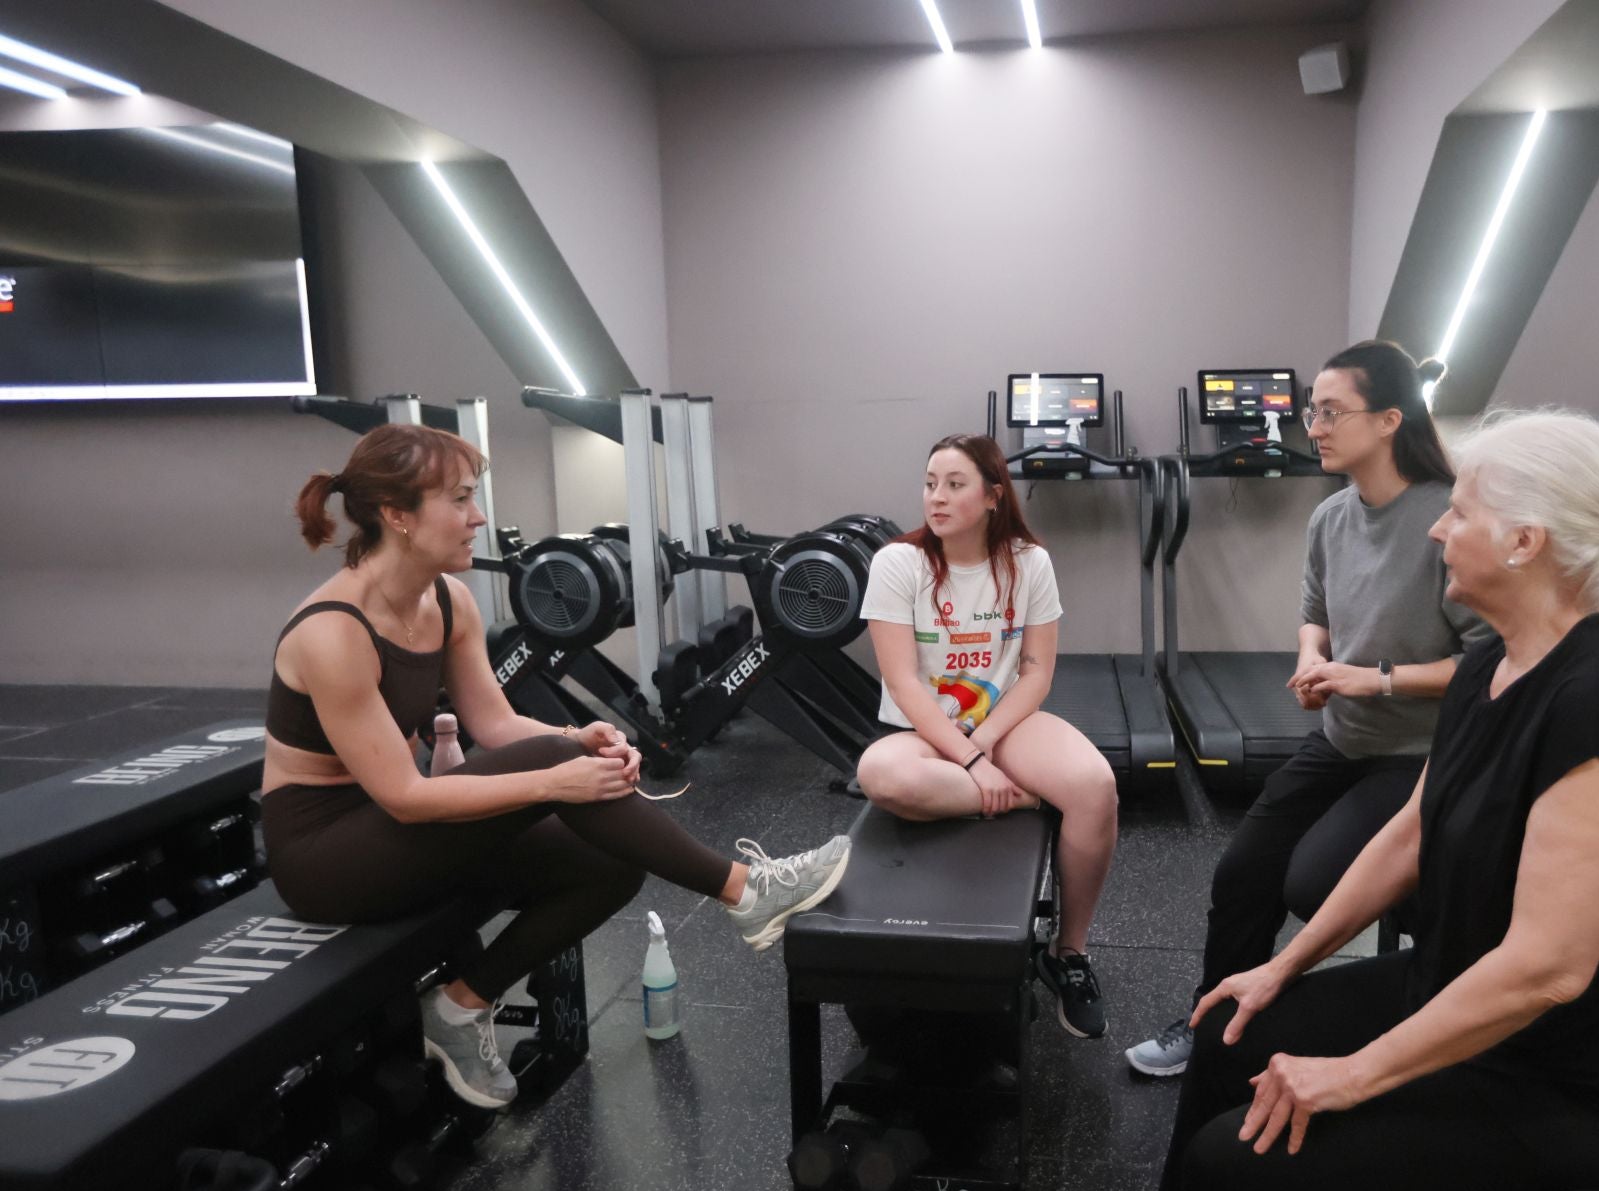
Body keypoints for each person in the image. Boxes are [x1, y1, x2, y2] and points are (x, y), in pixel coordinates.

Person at [1097, 410, 1599, 1191]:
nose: (1437, 526)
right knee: (1230, 1029)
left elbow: (1550, 970)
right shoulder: (1490, 666)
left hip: (1586, 1076)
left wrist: (1352, 1075)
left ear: (1523, 543)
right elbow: (1411, 832)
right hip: (1471, 994)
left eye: (1459, 512)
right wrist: (1284, 967)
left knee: (1235, 1165)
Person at [262, 424, 851, 1110]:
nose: (477, 516)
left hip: (392, 828)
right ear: (397, 515)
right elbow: (405, 796)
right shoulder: (332, 631)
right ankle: (749, 894)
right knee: (554, 764)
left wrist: (583, 736)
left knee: (609, 864)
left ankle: (459, 1008)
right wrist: (555, 774)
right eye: (458, 499)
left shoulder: (448, 600)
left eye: (472, 497)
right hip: (328, 857)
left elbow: (495, 724)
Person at [1127, 342, 1489, 1077]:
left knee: (1313, 884)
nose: (1312, 427)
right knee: (1241, 875)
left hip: (1422, 754)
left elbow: (1489, 663)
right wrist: (1311, 660)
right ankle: (1214, 1029)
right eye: (1310, 411)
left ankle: (1440, 1010)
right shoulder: (1330, 517)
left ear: (1389, 419)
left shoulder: (1446, 523)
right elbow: (1315, 614)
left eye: (1329, 412)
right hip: (1343, 738)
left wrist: (1376, 679)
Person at [855, 433, 1119, 1038]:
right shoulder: (899, 563)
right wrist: (973, 762)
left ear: (993, 495)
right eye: (929, 484)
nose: (936, 498)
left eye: (954, 485)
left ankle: (1069, 955)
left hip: (1007, 723)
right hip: (925, 733)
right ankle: (1030, 798)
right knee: (880, 774)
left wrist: (988, 741)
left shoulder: (1029, 563)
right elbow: (903, 685)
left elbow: (1036, 672)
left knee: (1095, 785)